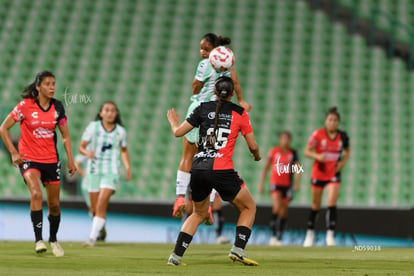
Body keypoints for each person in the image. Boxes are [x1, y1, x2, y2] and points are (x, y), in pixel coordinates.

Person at [166, 76, 261, 266]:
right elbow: (252, 145)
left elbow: (178, 133)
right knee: (249, 207)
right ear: (233, 93)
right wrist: (257, 155)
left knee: (198, 214)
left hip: (198, 168)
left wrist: (173, 122)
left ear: (215, 92)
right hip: (222, 170)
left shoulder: (201, 108)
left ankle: (175, 256)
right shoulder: (240, 113)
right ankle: (238, 249)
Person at [173, 33, 252, 221]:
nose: (202, 52)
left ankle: (179, 198)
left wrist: (200, 81)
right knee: (214, 159)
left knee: (187, 156)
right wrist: (241, 100)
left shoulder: (205, 64)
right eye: (201, 48)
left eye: (206, 49)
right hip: (218, 115)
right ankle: (207, 206)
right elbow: (237, 83)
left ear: (214, 51)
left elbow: (195, 88)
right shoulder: (228, 66)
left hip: (200, 110)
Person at [0, 71, 76, 256]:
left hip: (51, 160)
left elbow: (65, 136)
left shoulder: (57, 107)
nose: (52, 87)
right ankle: (38, 240)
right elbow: (3, 128)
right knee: (35, 193)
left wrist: (71, 160)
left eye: (53, 83)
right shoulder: (25, 106)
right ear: (38, 86)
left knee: (54, 205)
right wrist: (13, 152)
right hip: (29, 159)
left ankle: (54, 239)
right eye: (48, 84)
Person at [80, 101, 131, 247]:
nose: (110, 113)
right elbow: (81, 147)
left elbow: (124, 149)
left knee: (102, 204)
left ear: (116, 114)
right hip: (94, 170)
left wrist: (127, 167)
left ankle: (91, 239)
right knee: (94, 208)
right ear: (101, 113)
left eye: (113, 111)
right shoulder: (93, 127)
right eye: (107, 110)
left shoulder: (121, 131)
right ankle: (100, 229)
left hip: (111, 171)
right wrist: (86, 152)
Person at [303, 106, 350, 247]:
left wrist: (341, 164)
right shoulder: (318, 134)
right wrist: (317, 155)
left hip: (333, 174)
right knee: (316, 205)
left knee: (331, 203)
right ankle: (310, 233)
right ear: (325, 121)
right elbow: (306, 151)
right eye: (330, 120)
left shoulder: (343, 136)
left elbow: (347, 151)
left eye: (335, 120)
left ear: (338, 122)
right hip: (318, 173)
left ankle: (330, 235)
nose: (333, 122)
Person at [259, 131, 301, 246]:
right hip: (275, 183)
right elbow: (266, 167)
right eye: (283, 138)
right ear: (280, 140)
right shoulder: (274, 151)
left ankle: (279, 236)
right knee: (276, 208)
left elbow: (297, 168)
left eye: (287, 139)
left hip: (287, 185)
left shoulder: (293, 153)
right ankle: (273, 236)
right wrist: (261, 184)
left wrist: (297, 182)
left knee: (283, 212)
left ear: (290, 140)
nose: (285, 141)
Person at [74, 152, 106, 241]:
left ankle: (99, 229)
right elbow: (76, 164)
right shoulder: (85, 150)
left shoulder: (101, 149)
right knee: (92, 208)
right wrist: (85, 174)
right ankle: (100, 229)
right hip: (88, 184)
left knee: (99, 206)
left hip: (100, 182)